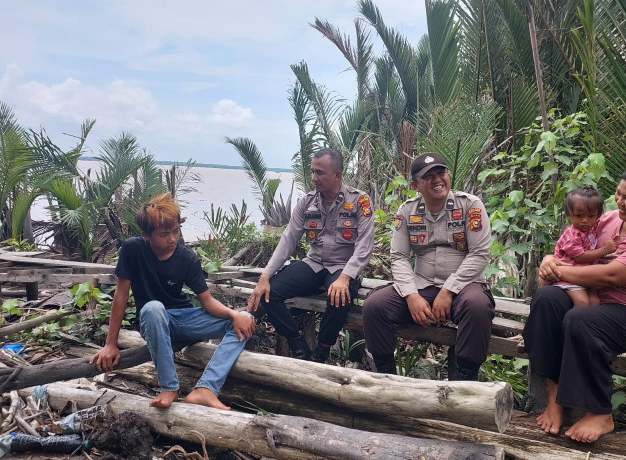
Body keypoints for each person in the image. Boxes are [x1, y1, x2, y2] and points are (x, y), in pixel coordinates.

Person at [525, 163, 626, 443]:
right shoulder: (609, 219)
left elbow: (612, 275)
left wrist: (558, 271)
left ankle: (601, 412)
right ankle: (556, 396)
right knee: (547, 299)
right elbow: (571, 245)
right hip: (592, 297)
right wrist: (550, 260)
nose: (619, 203)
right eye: (618, 194)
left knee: (582, 319)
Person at [90, 193, 255, 410]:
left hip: (183, 319)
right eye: (164, 234)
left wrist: (235, 315)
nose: (172, 239)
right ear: (146, 235)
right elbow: (121, 295)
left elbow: (207, 302)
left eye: (176, 231)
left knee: (245, 319)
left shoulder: (187, 258)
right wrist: (111, 344)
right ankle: (169, 387)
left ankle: (206, 388)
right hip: (153, 321)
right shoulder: (133, 249)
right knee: (153, 308)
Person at [362, 152, 495, 380]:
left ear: (448, 175)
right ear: (415, 185)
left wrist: (449, 289)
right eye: (428, 176)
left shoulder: (470, 205)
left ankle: (465, 380)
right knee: (374, 306)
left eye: (441, 173)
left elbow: (480, 253)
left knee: (478, 307)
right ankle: (387, 378)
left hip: (464, 286)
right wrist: (411, 295)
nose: (437, 180)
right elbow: (399, 257)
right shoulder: (407, 211)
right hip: (422, 286)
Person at [247, 148, 375, 362]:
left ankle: (322, 351)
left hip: (343, 267)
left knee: (339, 297)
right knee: (271, 292)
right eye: (313, 172)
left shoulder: (359, 201)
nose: (314, 178)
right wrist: (265, 276)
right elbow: (288, 239)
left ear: (337, 175)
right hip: (314, 263)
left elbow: (364, 245)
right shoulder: (306, 202)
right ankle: (297, 345)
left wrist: (346, 277)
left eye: (320, 173)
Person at [540, 186, 618, 307]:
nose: (585, 220)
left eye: (591, 216)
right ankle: (569, 324)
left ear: (598, 216)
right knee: (582, 302)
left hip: (586, 276)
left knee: (595, 302)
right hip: (569, 275)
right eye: (579, 216)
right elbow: (580, 257)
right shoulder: (572, 234)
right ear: (569, 214)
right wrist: (605, 250)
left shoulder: (590, 231)